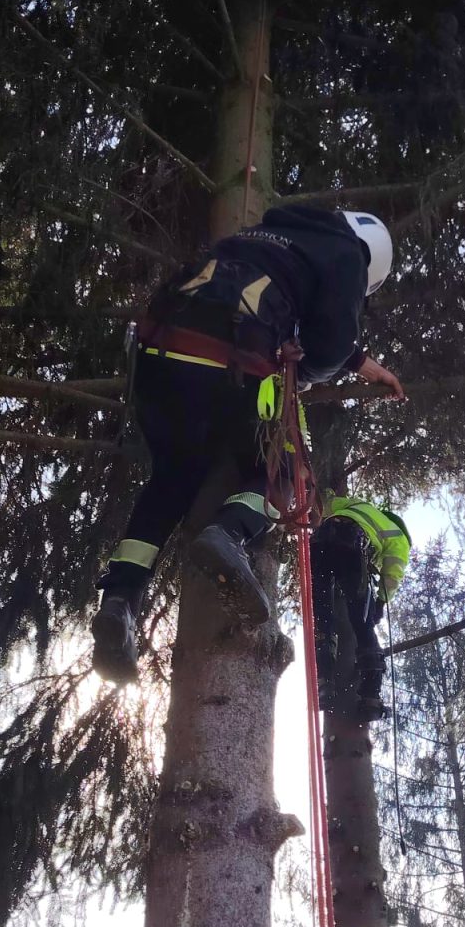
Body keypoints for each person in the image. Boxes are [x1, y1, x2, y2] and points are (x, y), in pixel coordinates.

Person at [91, 204, 403, 684]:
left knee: (172, 477)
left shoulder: (265, 235)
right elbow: (332, 340)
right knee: (287, 472)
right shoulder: (346, 253)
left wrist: (362, 364)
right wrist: (313, 375)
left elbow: (277, 298)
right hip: (228, 362)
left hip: (159, 354)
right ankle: (230, 532)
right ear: (371, 258)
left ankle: (120, 598)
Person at [311, 496, 411, 721]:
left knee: (323, 619)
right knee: (363, 623)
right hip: (352, 544)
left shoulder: (359, 505)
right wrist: (381, 602)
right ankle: (370, 698)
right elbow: (392, 574)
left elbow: (329, 504)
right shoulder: (399, 536)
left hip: (320, 541)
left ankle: (323, 683)